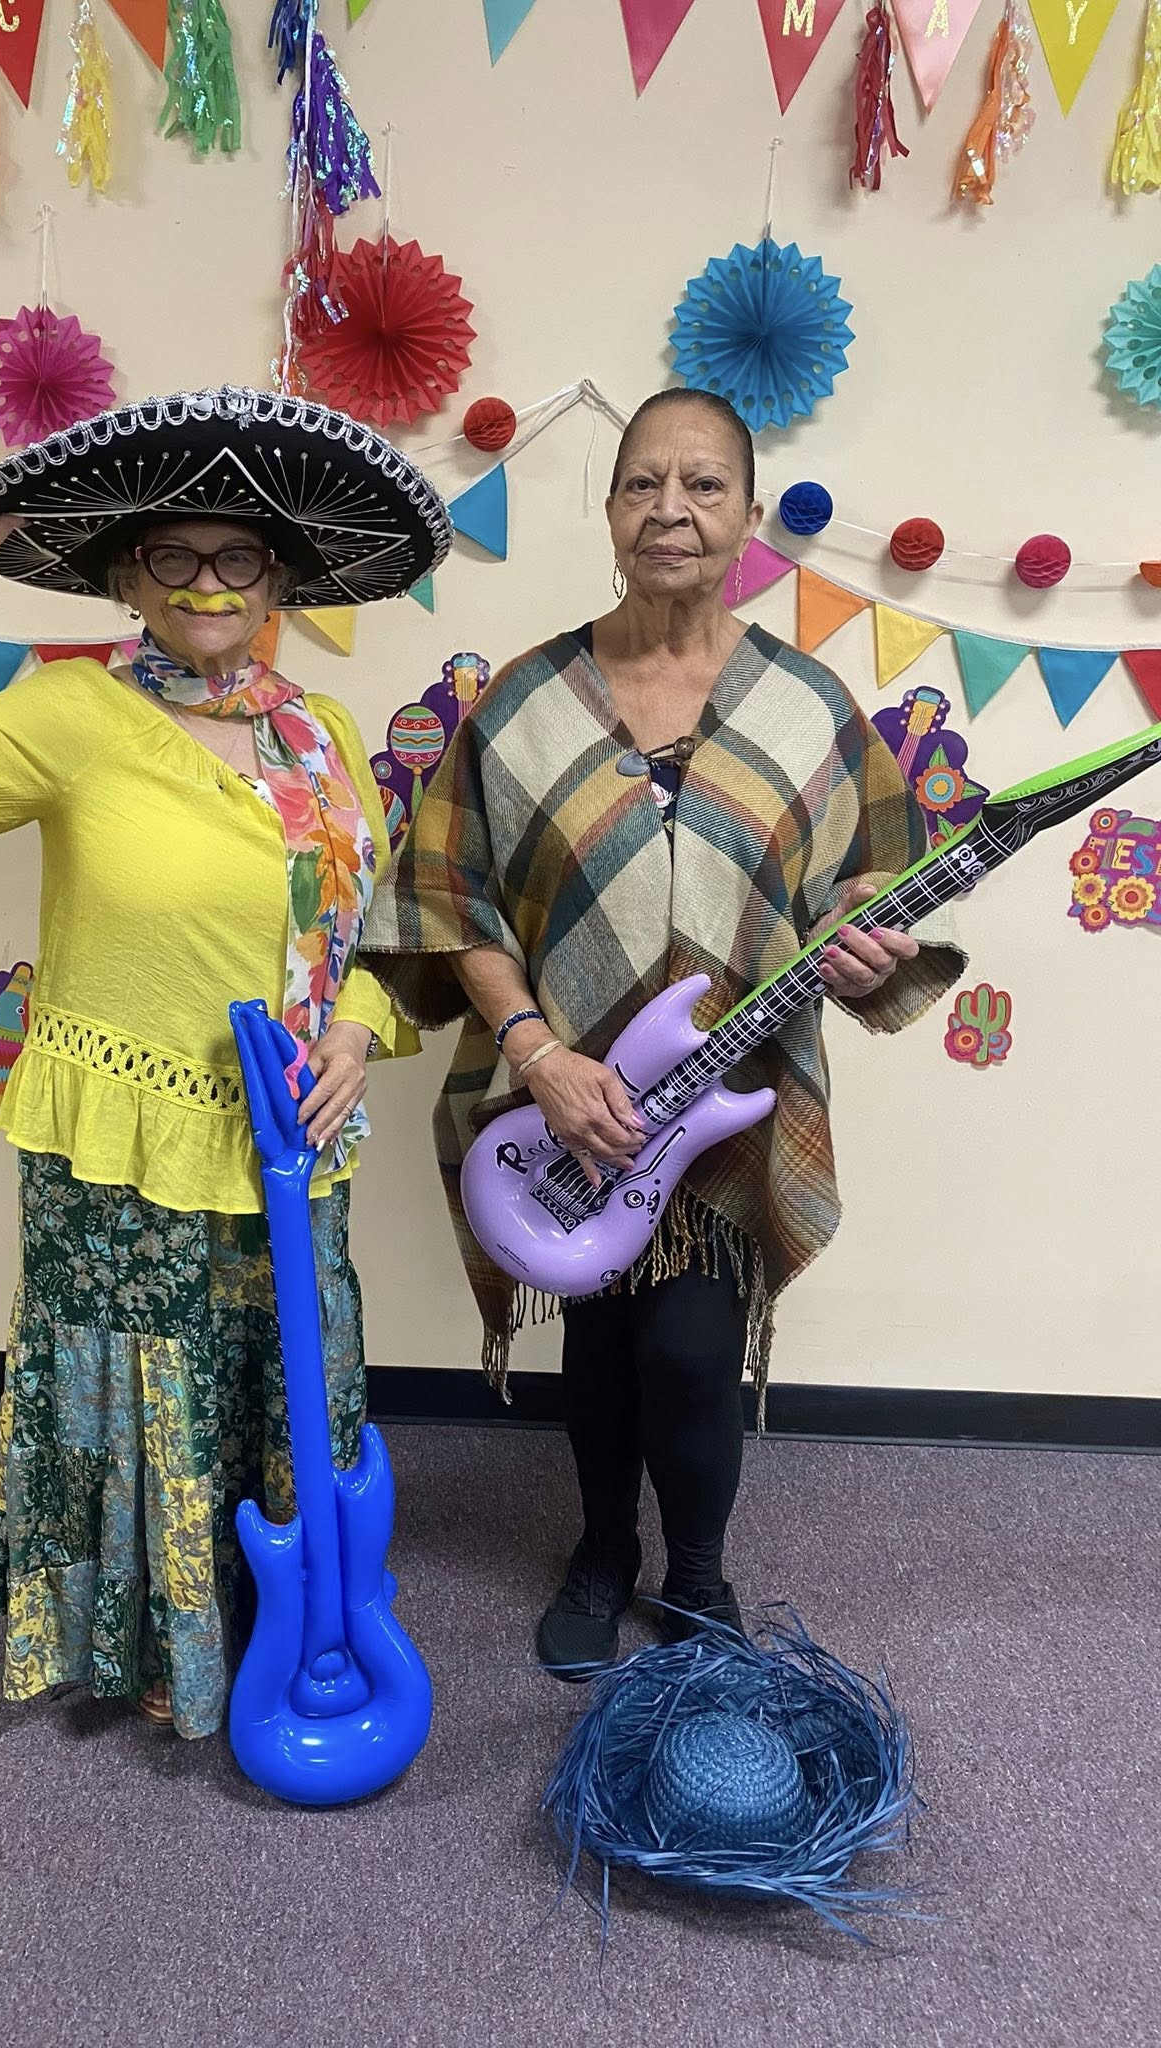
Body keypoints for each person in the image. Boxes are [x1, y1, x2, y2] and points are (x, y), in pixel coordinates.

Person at [0, 386, 448, 1738]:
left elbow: (382, 935)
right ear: (125, 575)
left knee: (286, 1373)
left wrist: (354, 1031)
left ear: (279, 574)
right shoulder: (74, 715)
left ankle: (288, 1629)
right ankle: (156, 1654)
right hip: (122, 1141)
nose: (209, 582)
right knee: (144, 1375)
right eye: (174, 555)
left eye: (239, 556)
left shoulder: (325, 741)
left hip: (293, 1137)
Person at [362, 387, 965, 1676]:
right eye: (643, 482)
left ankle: (695, 1573)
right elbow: (450, 895)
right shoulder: (523, 703)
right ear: (610, 506)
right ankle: (599, 1552)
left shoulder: (809, 710)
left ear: (749, 515)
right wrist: (537, 1052)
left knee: (689, 1348)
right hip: (566, 1099)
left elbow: (875, 875)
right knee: (601, 1338)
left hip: (725, 1097)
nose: (671, 510)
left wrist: (868, 929)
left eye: (702, 486)